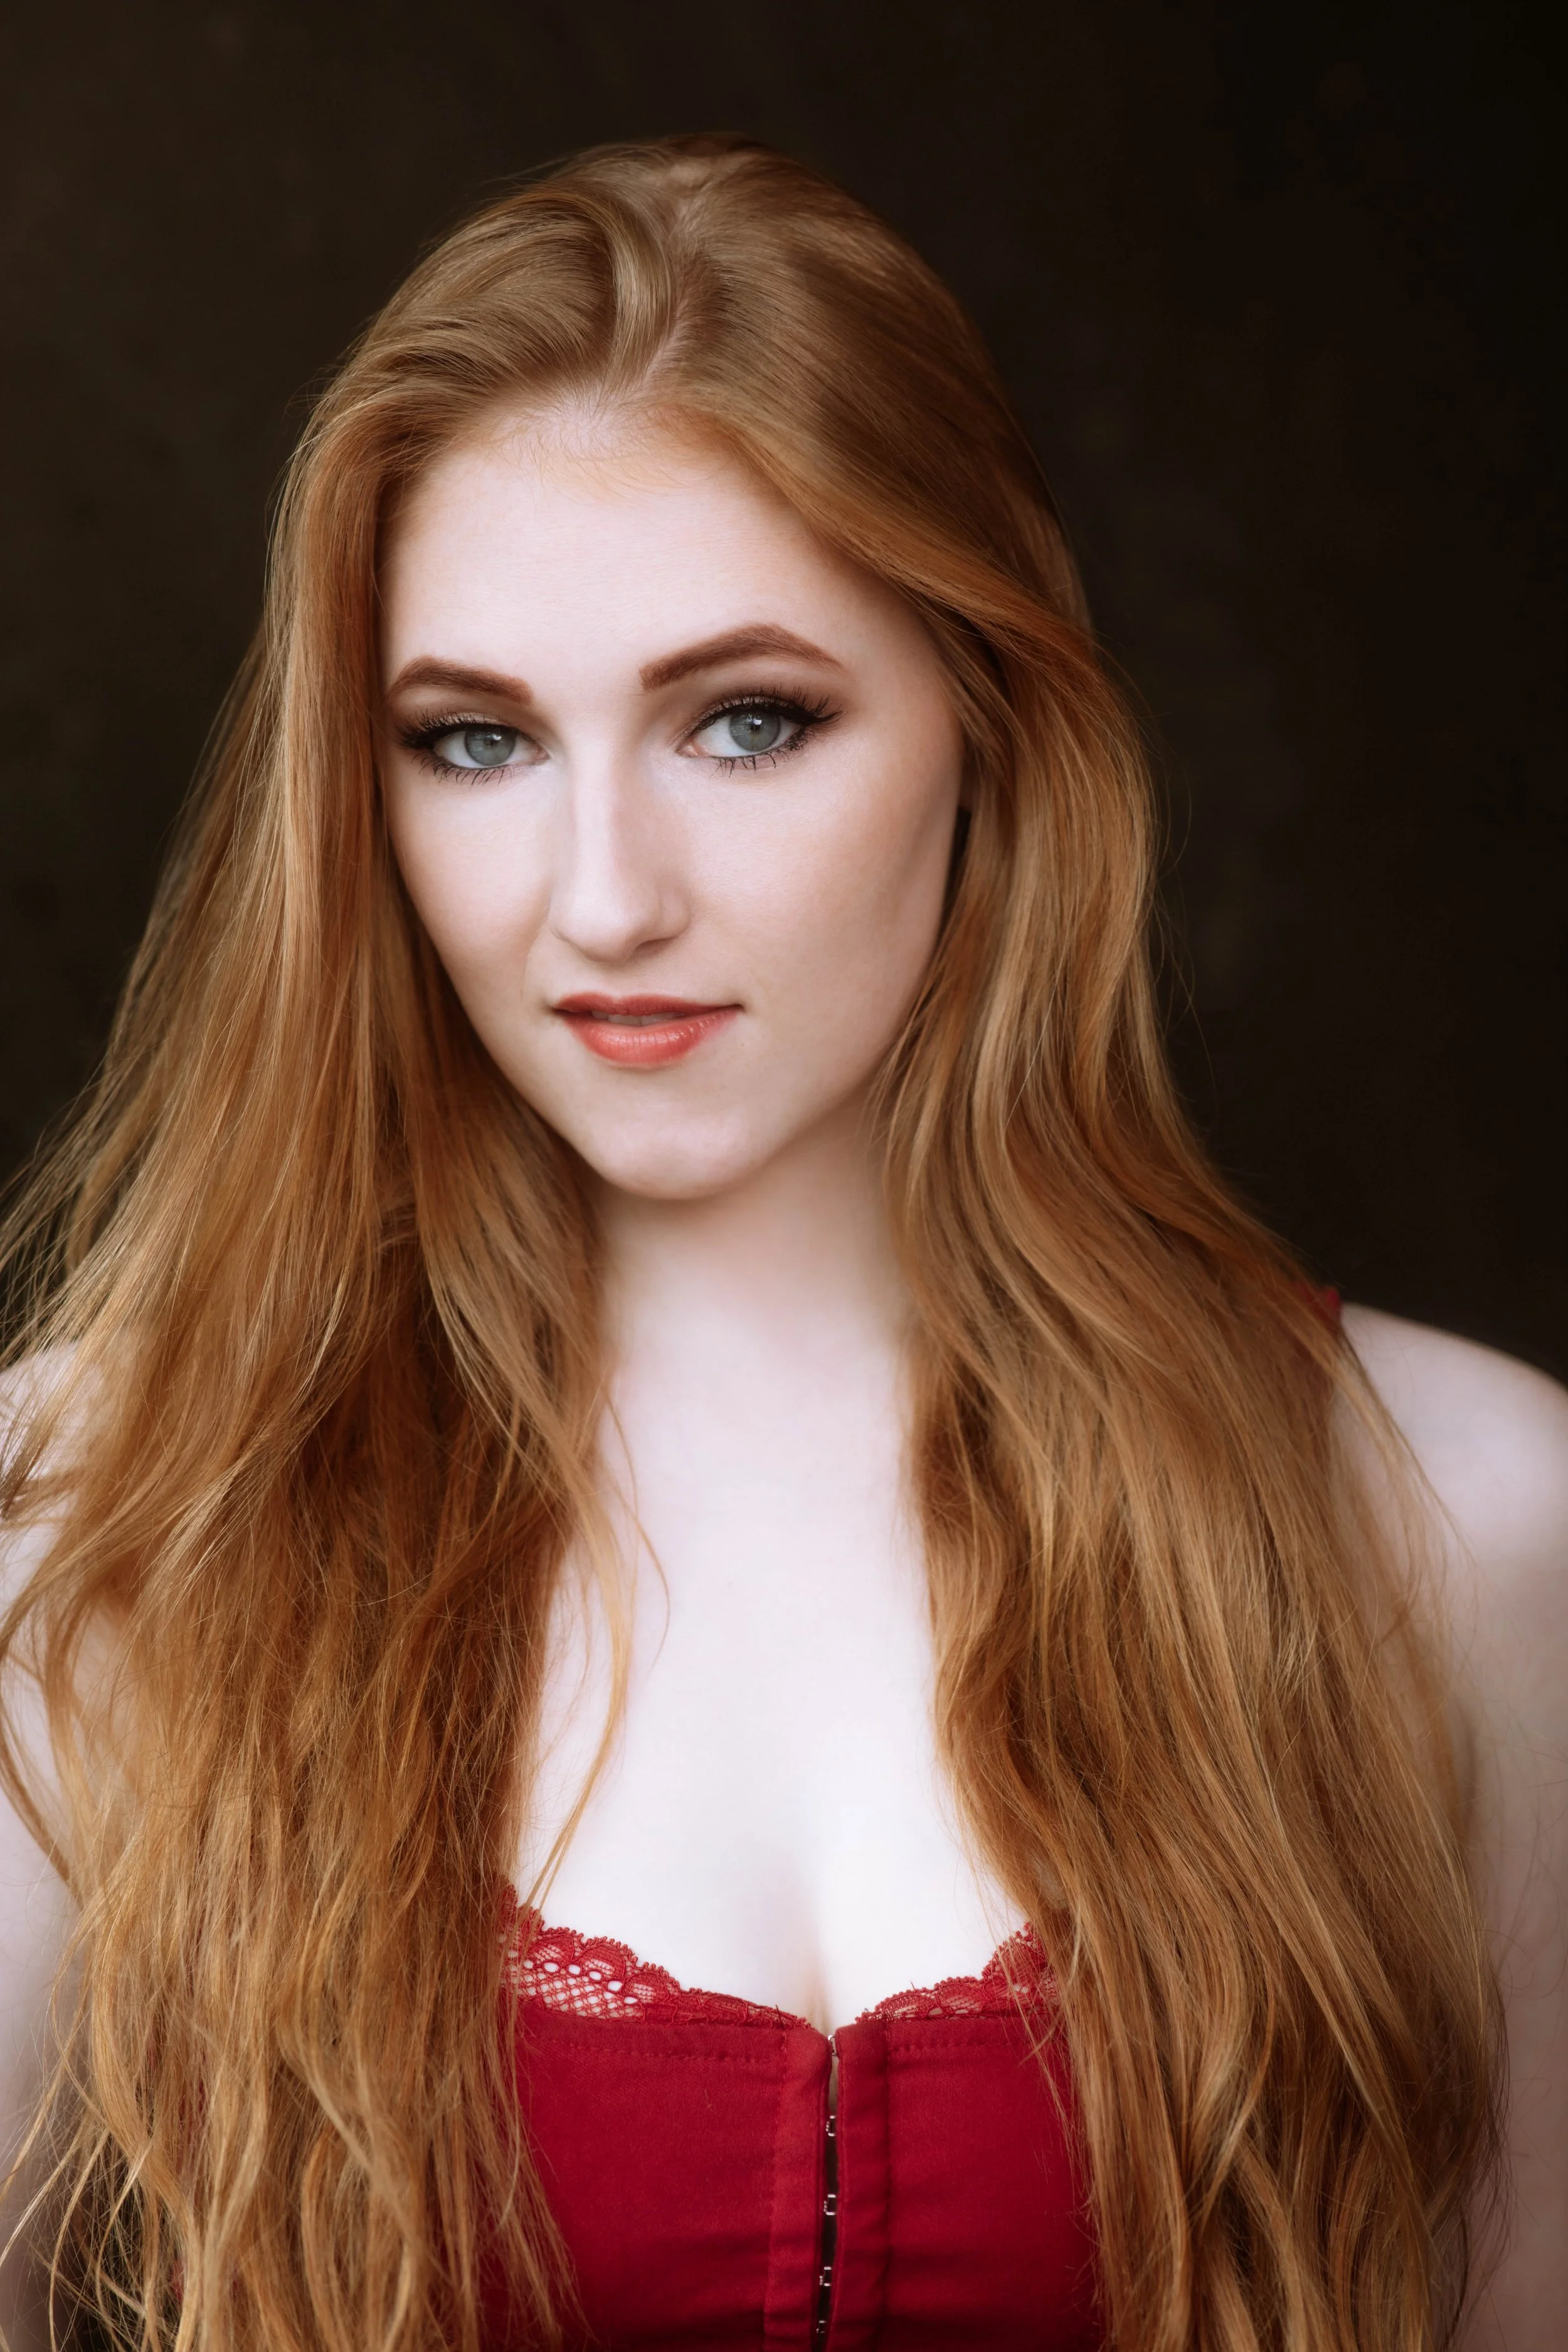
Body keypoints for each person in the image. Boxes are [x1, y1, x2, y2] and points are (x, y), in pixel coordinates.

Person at [0, 134, 1562, 2352]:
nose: (603, 894)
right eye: (474, 742)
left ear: (988, 725)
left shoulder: (1458, 1513)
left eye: (748, 720)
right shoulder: (99, 1529)